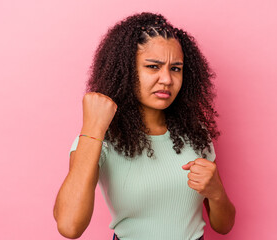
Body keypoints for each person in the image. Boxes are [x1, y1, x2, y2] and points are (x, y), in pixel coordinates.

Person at [53, 12, 236, 240]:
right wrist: (92, 130)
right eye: (153, 67)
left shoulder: (195, 133)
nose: (167, 79)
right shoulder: (101, 138)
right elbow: (69, 226)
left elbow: (224, 226)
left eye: (176, 68)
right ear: (125, 72)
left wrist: (217, 192)